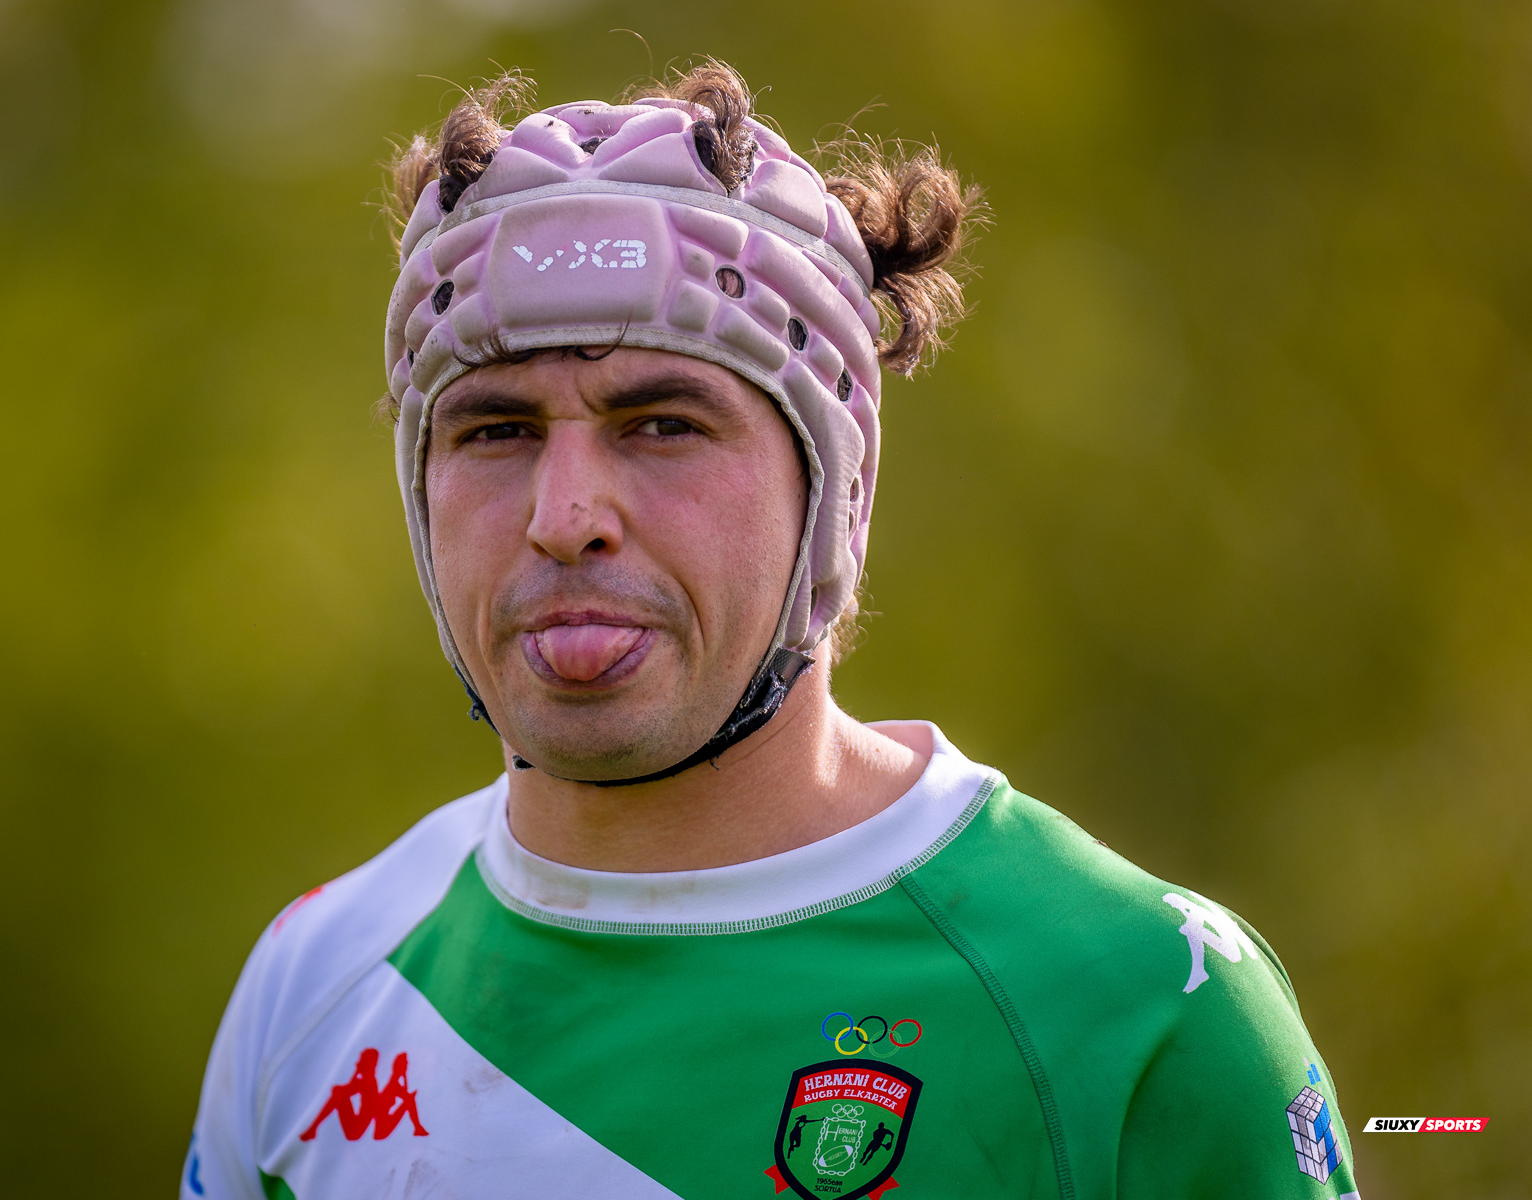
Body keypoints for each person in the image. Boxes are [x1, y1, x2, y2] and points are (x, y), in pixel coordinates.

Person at [182, 62, 1361, 1200]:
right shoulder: (311, 990)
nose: (565, 516)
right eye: (496, 431)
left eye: (663, 424)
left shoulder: (1144, 1012)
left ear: (831, 494)